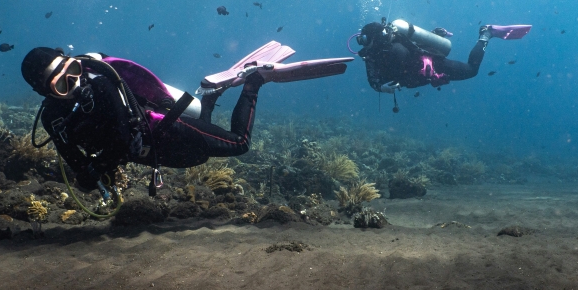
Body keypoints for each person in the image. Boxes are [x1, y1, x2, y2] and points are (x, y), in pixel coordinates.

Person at [20, 43, 351, 197]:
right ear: (43, 91)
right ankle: (209, 96)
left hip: (166, 129)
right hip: (157, 152)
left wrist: (98, 167)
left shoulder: (102, 83)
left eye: (74, 71)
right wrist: (89, 173)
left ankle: (254, 82)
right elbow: (78, 166)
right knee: (203, 153)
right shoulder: (54, 119)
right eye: (62, 82)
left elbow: (121, 140)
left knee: (239, 144)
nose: (76, 83)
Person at [352, 18, 531, 96]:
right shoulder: (375, 54)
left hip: (433, 65)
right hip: (430, 71)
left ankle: (486, 33)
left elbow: (374, 80)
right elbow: (375, 81)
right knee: (471, 71)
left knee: (471, 70)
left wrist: (430, 70)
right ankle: (485, 34)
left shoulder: (382, 51)